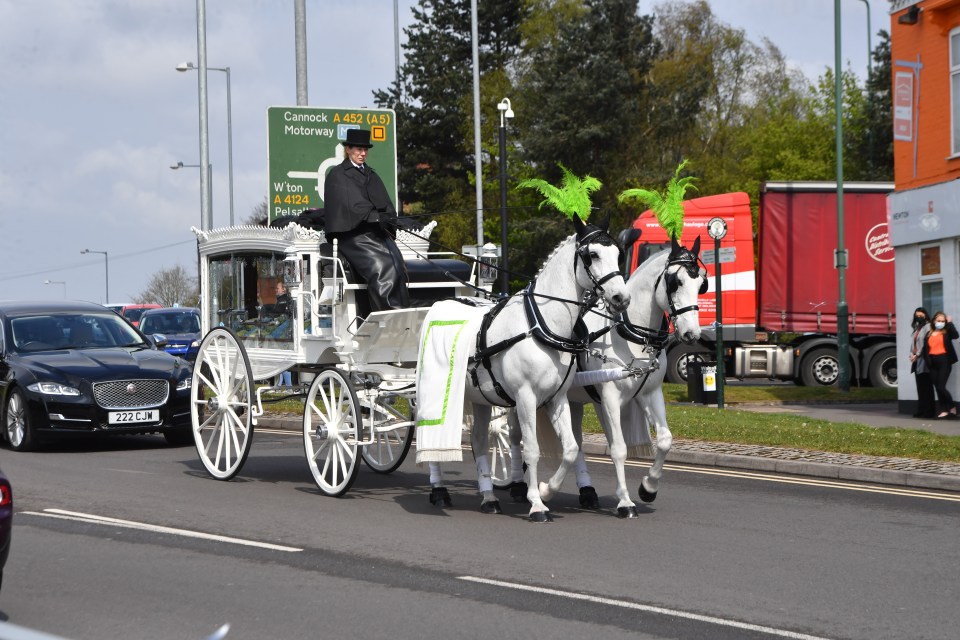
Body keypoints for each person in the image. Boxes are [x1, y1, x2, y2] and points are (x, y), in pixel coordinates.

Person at [322, 128, 409, 312]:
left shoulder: (371, 174)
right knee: (383, 267)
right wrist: (374, 216)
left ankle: (402, 312)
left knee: (397, 261)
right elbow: (349, 206)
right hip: (352, 234)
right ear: (348, 149)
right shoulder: (338, 175)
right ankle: (387, 316)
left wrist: (388, 219)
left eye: (365, 150)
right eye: (358, 150)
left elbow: (384, 204)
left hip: (375, 232)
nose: (362, 154)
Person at [920, 310, 958, 419]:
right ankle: (944, 409)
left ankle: (952, 407)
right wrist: (917, 356)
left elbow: (956, 335)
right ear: (934, 321)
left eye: (943, 321)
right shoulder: (929, 333)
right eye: (938, 320)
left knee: (941, 387)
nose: (940, 323)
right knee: (937, 387)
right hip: (932, 362)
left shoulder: (946, 332)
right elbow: (925, 348)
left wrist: (950, 323)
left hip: (944, 361)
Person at [908, 307, 936, 418]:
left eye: (920, 315)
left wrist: (917, 355)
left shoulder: (928, 326)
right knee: (920, 386)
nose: (918, 317)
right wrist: (911, 354)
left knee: (926, 386)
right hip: (916, 360)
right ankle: (921, 409)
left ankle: (929, 411)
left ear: (925, 315)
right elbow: (914, 343)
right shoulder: (917, 327)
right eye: (917, 315)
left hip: (924, 360)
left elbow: (925, 343)